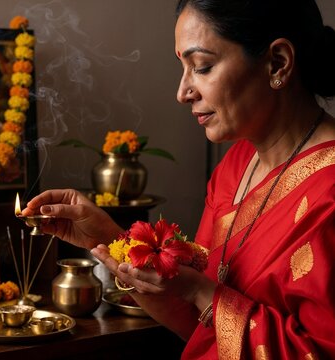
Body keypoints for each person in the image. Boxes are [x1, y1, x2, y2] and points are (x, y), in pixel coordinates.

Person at [22, 0, 335, 358]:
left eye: (202, 67)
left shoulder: (329, 190)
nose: (183, 92)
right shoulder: (235, 168)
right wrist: (111, 241)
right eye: (184, 68)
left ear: (277, 62)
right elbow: (200, 327)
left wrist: (200, 291)